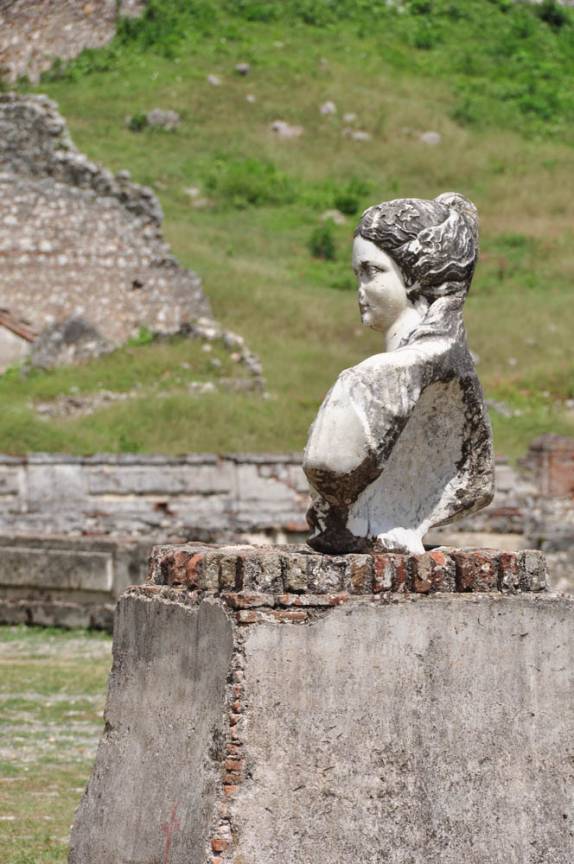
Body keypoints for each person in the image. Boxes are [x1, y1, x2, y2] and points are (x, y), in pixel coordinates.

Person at [303, 192, 495, 554]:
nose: (360, 290)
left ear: (416, 275)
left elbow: (328, 463)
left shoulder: (370, 381)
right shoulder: (460, 378)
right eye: (357, 274)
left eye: (372, 272)